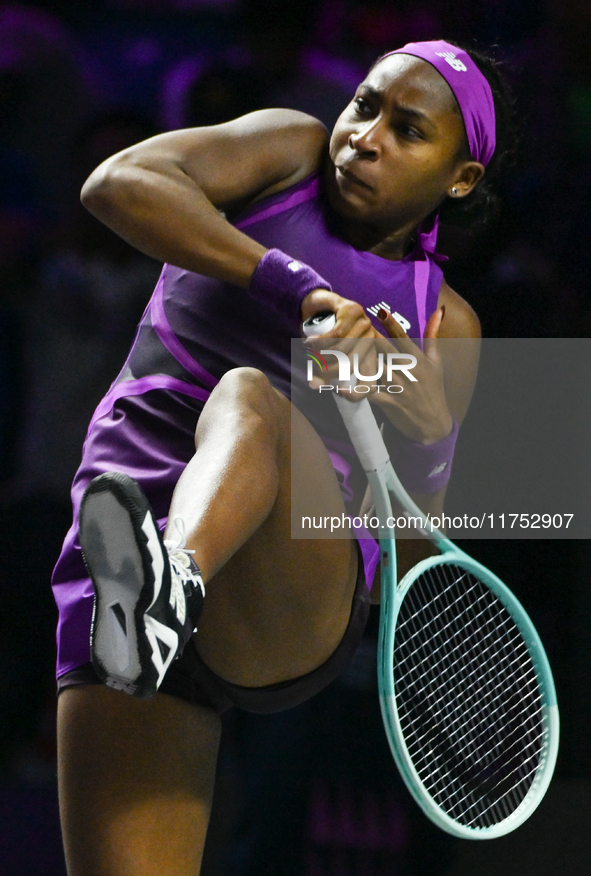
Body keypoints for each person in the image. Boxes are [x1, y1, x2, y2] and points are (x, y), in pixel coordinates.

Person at [54, 40, 513, 876]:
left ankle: (168, 586)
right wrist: (289, 285)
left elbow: (413, 560)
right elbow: (115, 183)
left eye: (407, 130)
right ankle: (151, 606)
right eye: (364, 105)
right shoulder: (285, 150)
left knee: (250, 399)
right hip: (127, 532)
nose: (363, 136)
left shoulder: (446, 321)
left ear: (459, 179)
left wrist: (421, 421)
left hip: (288, 589)